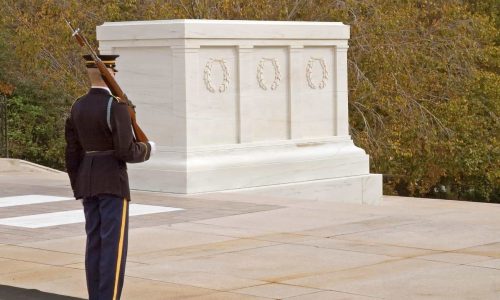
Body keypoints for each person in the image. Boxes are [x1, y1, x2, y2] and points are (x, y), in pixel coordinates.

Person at [65, 54, 155, 300]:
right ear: (110, 74)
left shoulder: (77, 106)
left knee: (94, 243)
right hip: (112, 182)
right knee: (113, 247)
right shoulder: (115, 106)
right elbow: (126, 151)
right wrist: (148, 149)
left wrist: (78, 185)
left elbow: (72, 153)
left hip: (88, 180)